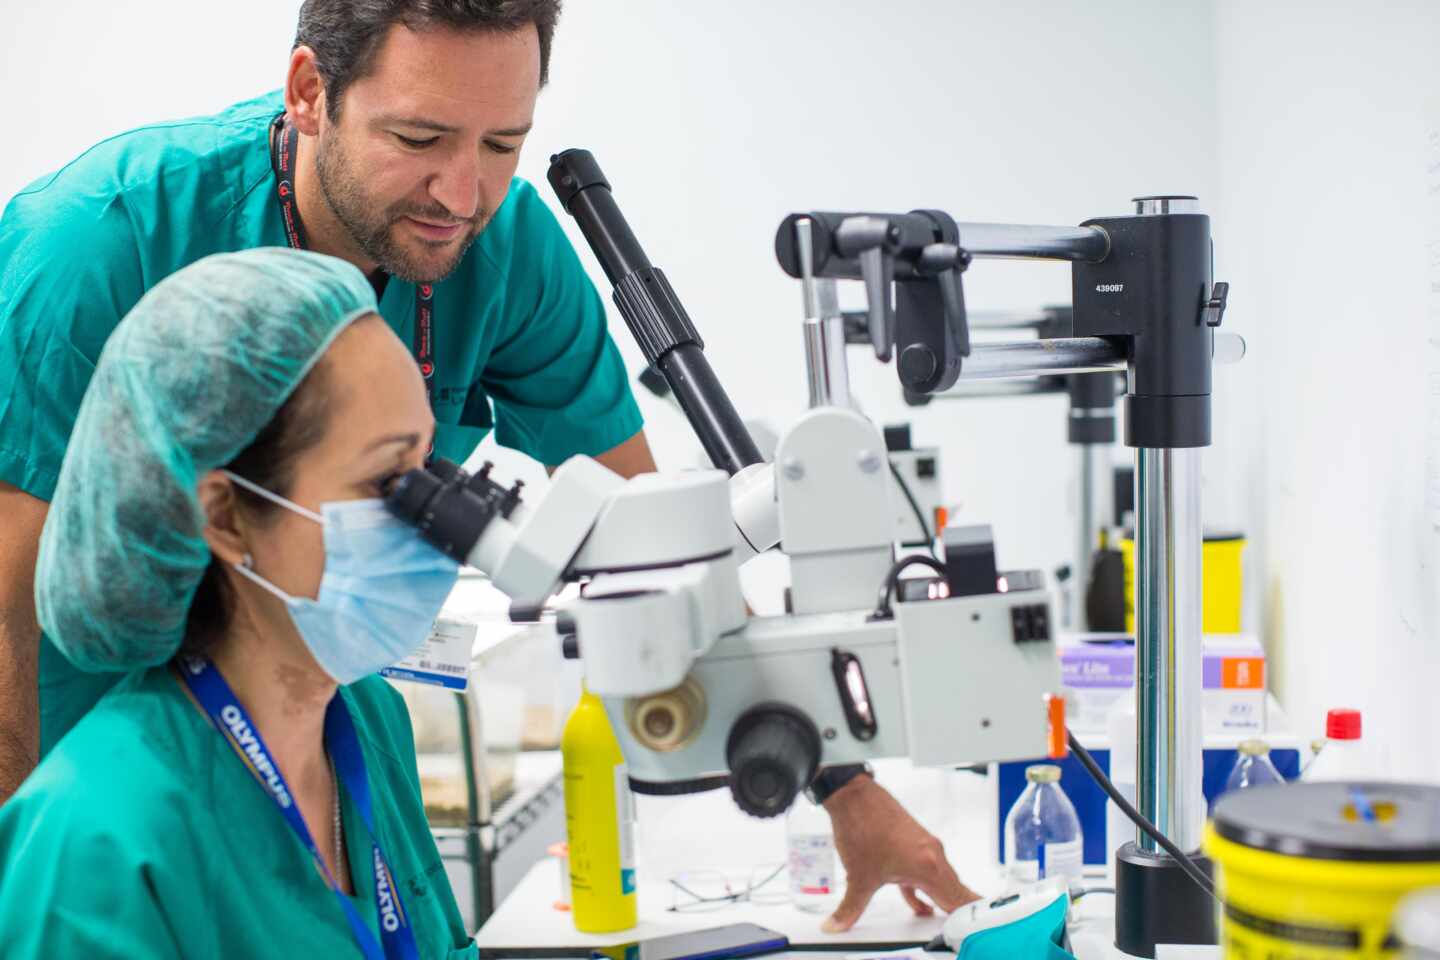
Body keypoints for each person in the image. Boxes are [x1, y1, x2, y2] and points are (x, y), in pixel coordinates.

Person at [0, 0, 978, 928]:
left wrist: (848, 790)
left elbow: (666, 546)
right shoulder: (98, 242)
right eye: (419, 141)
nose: (462, 196)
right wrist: (29, 863)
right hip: (86, 754)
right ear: (308, 92)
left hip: (319, 729)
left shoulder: (501, 249)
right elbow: (9, 606)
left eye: (503, 146)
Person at [0, 249, 479, 957]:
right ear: (224, 517)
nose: (433, 519)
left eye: (427, 466)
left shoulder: (369, 719)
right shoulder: (99, 834)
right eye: (388, 479)